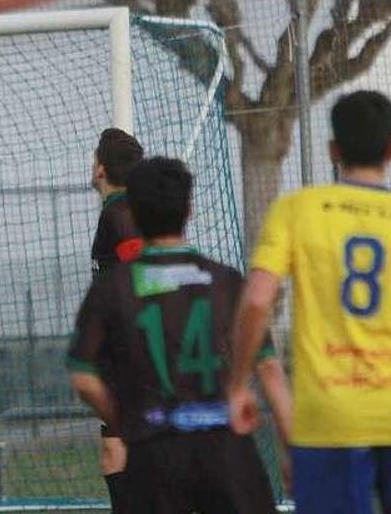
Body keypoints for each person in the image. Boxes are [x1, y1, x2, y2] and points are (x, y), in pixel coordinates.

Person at [228, 90, 391, 514]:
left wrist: (237, 383)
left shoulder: (298, 209)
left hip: (327, 417)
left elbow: (257, 301)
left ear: (333, 149)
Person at [67, 157, 277, 513]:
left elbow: (84, 378)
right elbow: (267, 364)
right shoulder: (225, 281)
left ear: (133, 213)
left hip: (154, 450)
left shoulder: (113, 286)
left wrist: (125, 419)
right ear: (190, 211)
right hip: (225, 449)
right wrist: (241, 391)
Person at [86, 128, 143, 513]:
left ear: (101, 168)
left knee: (120, 454)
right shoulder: (121, 210)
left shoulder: (121, 214)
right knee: (116, 452)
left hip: (133, 355)